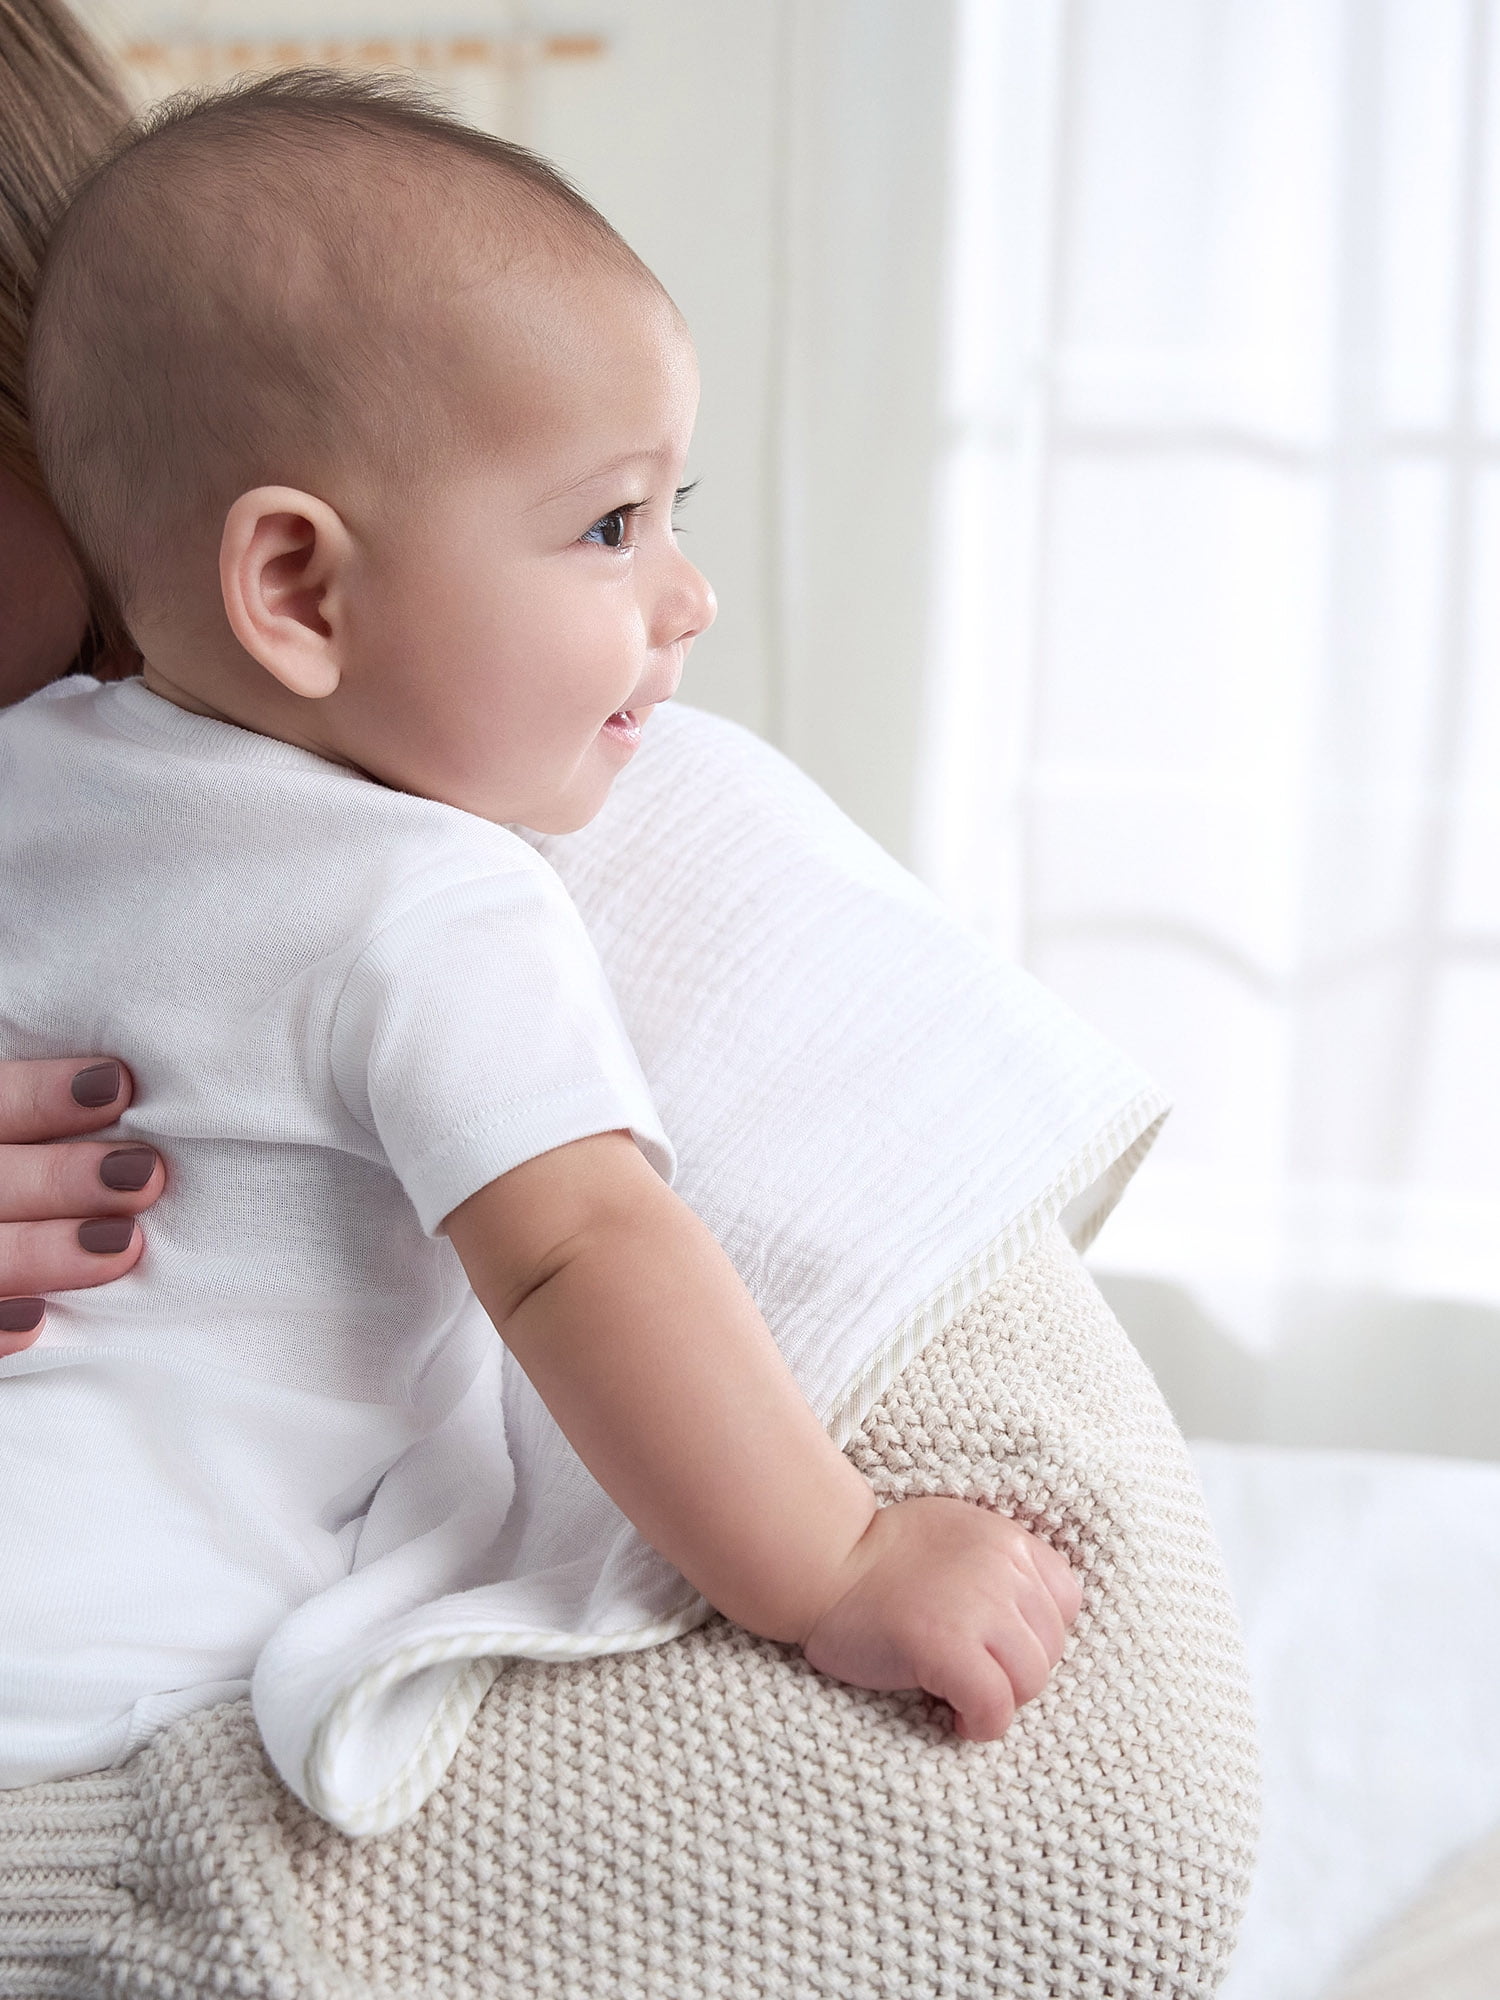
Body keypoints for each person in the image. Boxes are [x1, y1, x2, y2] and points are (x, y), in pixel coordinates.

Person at [0, 12, 1257, 1994]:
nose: (687, 599)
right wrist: (833, 1558)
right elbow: (585, 1250)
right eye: (610, 524)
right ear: (300, 594)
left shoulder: (42, 773)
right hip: (99, 1685)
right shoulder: (426, 898)